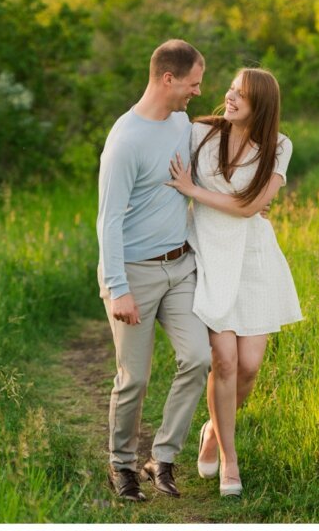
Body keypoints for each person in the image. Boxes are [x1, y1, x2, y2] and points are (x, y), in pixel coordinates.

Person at [165, 67, 302, 498]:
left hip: (255, 258)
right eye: (230, 90)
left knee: (248, 366)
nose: (229, 97)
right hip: (209, 252)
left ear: (260, 104)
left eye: (241, 94)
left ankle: (211, 429)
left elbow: (251, 207)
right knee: (223, 359)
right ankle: (229, 458)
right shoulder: (200, 133)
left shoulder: (279, 146)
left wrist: (193, 190)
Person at [97, 39, 212, 502]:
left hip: (180, 266)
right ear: (168, 78)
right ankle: (120, 465)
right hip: (134, 274)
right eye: (193, 83)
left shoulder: (181, 122)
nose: (197, 92)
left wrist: (247, 204)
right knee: (134, 378)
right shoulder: (125, 140)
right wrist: (117, 288)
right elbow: (108, 220)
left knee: (198, 358)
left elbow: (202, 175)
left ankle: (161, 457)